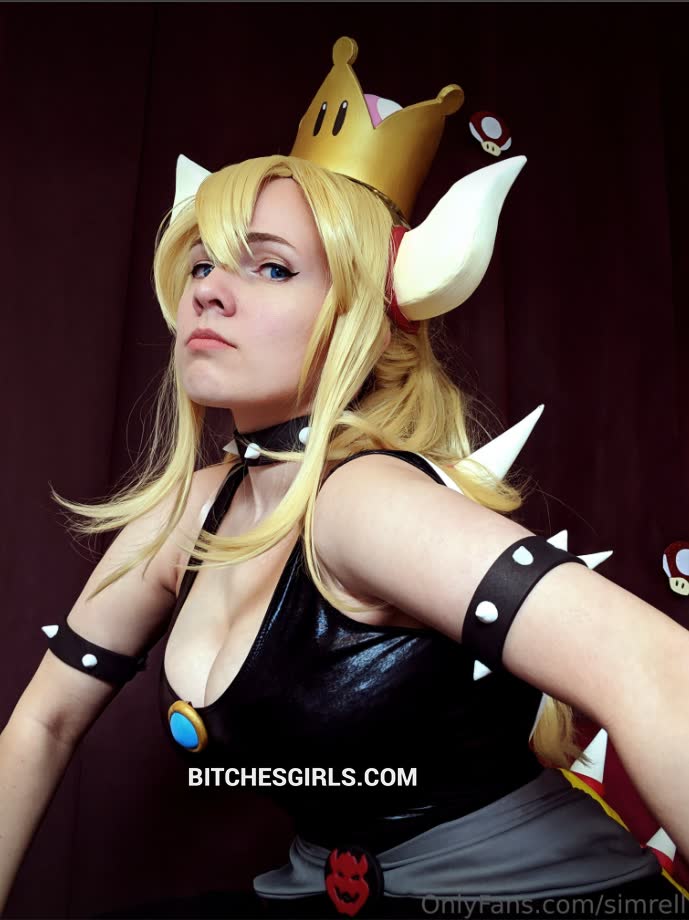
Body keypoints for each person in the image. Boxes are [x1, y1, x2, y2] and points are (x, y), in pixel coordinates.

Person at [2, 35, 688, 920]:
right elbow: (43, 722)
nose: (208, 290)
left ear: (358, 316)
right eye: (203, 263)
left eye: (271, 267)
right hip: (327, 892)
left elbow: (654, 666)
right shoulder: (186, 516)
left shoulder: (360, 502)